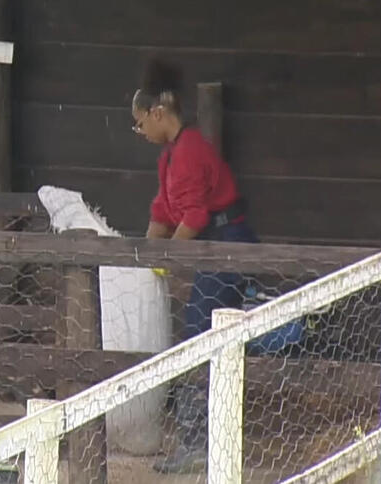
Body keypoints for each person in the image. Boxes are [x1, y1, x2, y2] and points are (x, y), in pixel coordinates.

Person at [129, 59, 258, 474]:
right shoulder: (171, 156)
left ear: (158, 114)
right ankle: (204, 436)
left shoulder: (188, 152)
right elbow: (164, 210)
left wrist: (166, 257)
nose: (140, 131)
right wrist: (148, 253)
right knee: (201, 333)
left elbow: (195, 217)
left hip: (226, 244)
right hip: (214, 246)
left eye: (139, 123)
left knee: (199, 336)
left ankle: (198, 442)